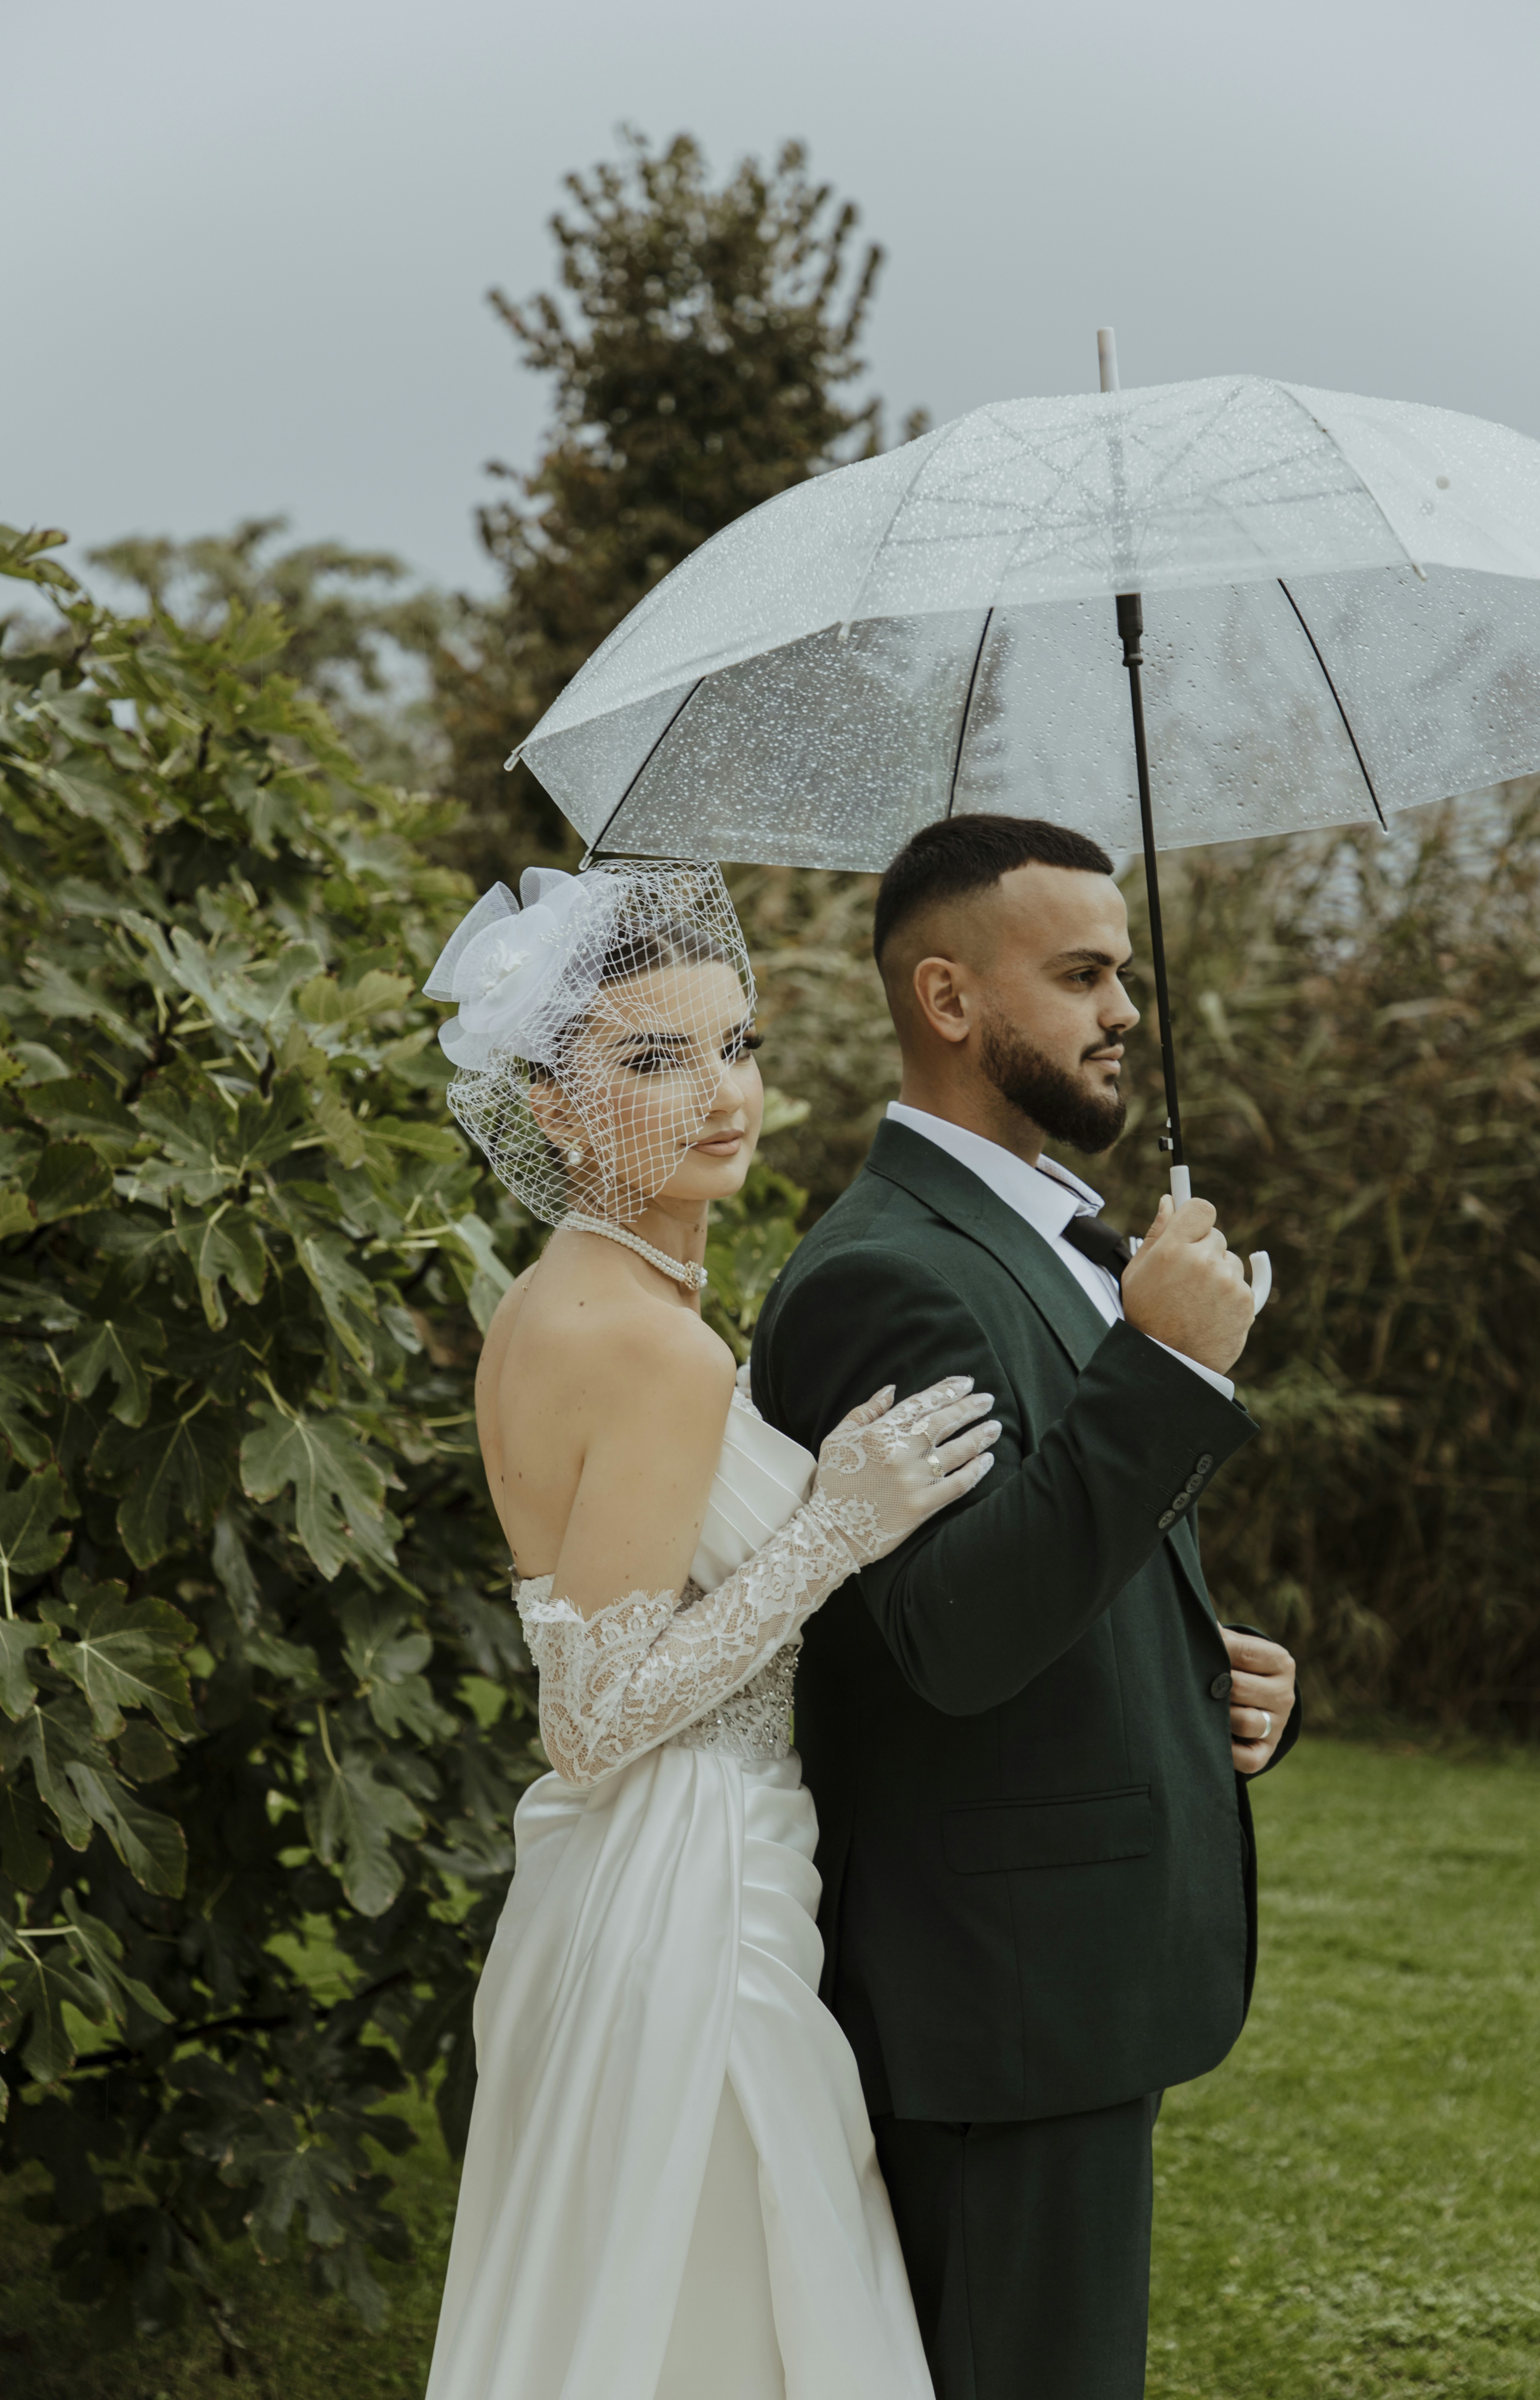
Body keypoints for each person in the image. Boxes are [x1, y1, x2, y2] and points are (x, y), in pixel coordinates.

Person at [420, 858, 1001, 2400]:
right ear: (552, 1109)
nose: (720, 1093)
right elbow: (591, 1719)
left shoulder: (574, 1298)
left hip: (642, 1884)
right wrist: (833, 1526)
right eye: (652, 1060)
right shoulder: (643, 1351)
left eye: (732, 1046)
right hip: (684, 1900)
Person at [750, 814, 1302, 2400]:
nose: (1122, 1008)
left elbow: (1054, 1550)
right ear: (945, 998)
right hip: (991, 1996)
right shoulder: (886, 1275)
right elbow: (954, 1633)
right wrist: (1167, 1370)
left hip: (1065, 1974)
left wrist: (1202, 1674)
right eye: (1077, 974)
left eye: (1119, 972)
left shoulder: (1046, 1235)